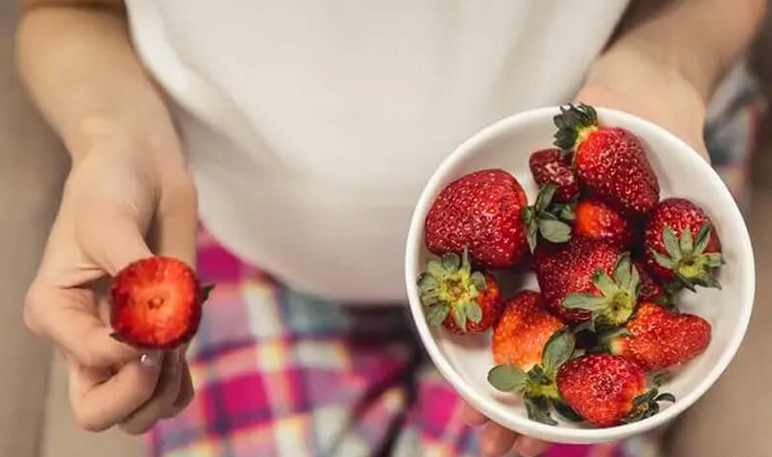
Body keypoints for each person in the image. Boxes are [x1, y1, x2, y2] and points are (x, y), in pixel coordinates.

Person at [16, 0, 766, 456]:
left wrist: (665, 60)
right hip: (249, 241)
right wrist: (112, 131)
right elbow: (66, 12)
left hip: (619, 181)